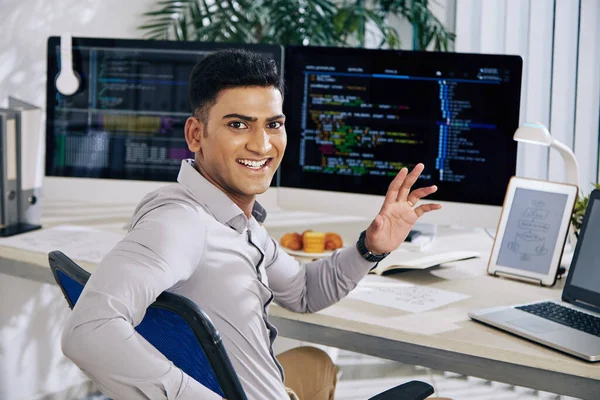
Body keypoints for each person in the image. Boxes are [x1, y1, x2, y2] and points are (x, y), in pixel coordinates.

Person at [61, 49, 441, 400]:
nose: (262, 145)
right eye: (239, 125)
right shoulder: (180, 223)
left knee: (313, 360)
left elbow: (305, 292)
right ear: (196, 134)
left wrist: (371, 248)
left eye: (273, 124)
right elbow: (88, 332)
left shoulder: (235, 221)